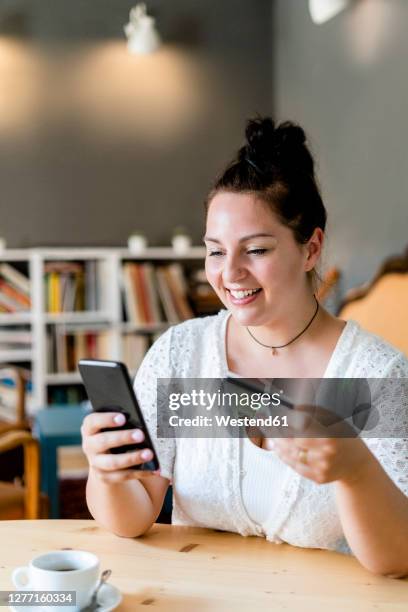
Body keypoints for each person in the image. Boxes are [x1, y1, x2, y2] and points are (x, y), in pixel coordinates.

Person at [82, 117, 408, 577]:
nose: (229, 274)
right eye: (216, 251)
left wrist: (356, 471)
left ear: (311, 249)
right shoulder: (182, 354)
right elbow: (133, 519)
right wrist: (106, 471)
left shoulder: (376, 375)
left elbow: (398, 560)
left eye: (255, 250)